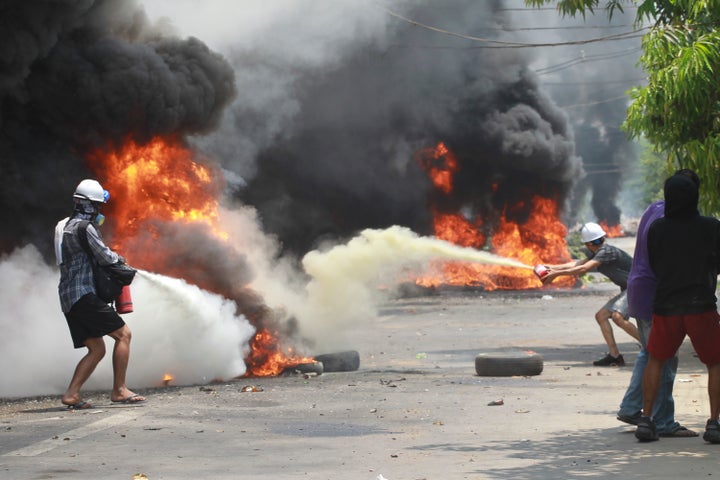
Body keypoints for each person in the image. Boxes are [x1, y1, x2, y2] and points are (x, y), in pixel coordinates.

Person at [635, 173, 720, 442]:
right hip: (700, 305)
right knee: (716, 363)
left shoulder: (658, 228)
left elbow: (656, 263)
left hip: (666, 305)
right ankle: (714, 423)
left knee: (656, 360)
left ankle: (646, 421)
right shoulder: (711, 227)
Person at [617, 169, 700, 438]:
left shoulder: (654, 208)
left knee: (650, 352)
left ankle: (631, 407)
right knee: (665, 357)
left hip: (640, 287)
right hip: (656, 291)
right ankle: (663, 421)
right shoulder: (670, 217)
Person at [54, 179, 145, 409]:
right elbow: (105, 257)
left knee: (97, 348)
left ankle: (72, 395)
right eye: (96, 206)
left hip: (67, 298)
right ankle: (120, 390)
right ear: (89, 205)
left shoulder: (63, 226)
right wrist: (123, 263)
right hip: (83, 295)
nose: (98, 212)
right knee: (124, 334)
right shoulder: (85, 228)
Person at [541, 222, 640, 366]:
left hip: (635, 287)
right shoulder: (597, 252)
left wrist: (556, 273)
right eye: (595, 242)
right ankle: (615, 356)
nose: (597, 244)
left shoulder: (606, 252)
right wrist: (551, 267)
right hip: (628, 287)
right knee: (601, 316)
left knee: (617, 317)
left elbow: (583, 269)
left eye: (598, 241)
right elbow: (577, 264)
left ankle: (650, 348)